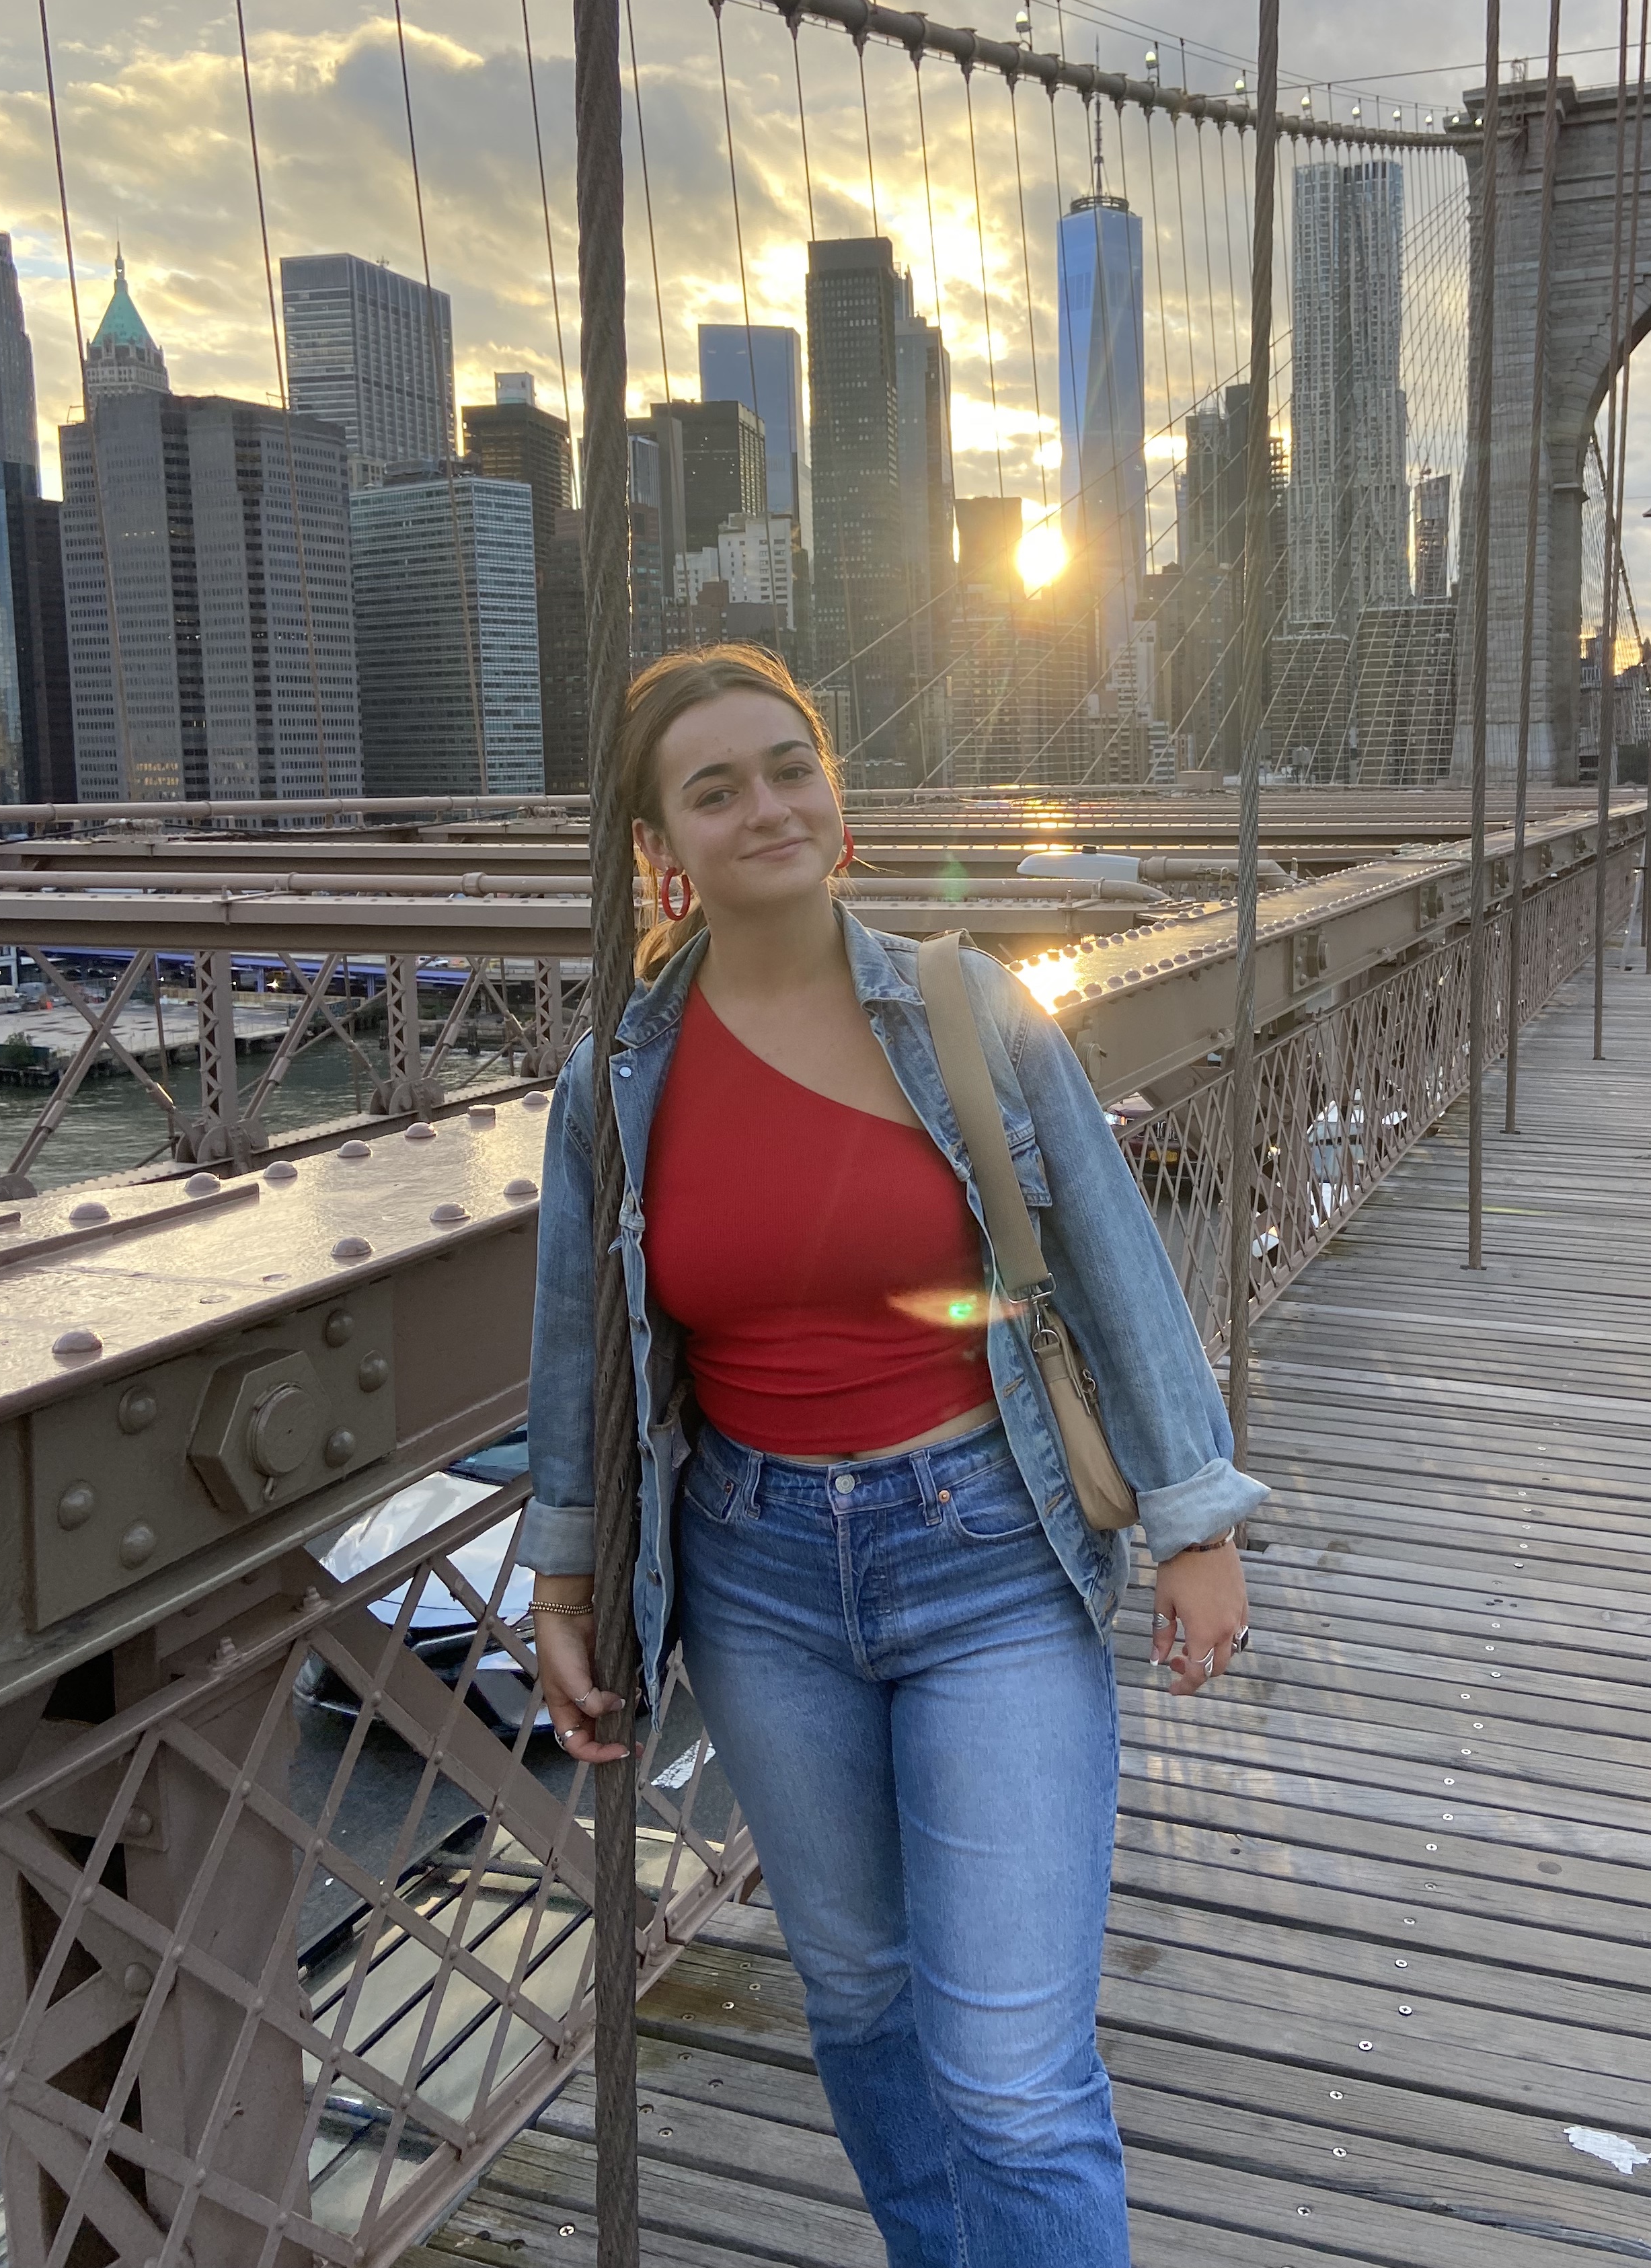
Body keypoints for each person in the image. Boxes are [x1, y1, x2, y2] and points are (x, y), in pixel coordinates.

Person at [521, 644, 1262, 2268]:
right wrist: (563, 1576)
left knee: (1007, 2073)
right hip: (757, 1575)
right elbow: (582, 1354)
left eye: (790, 766)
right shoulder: (611, 1090)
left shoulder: (969, 1009)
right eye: (714, 788)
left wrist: (1198, 1517)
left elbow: (1119, 1270)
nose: (766, 804)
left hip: (987, 1544)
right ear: (662, 851)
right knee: (859, 1999)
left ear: (837, 801)